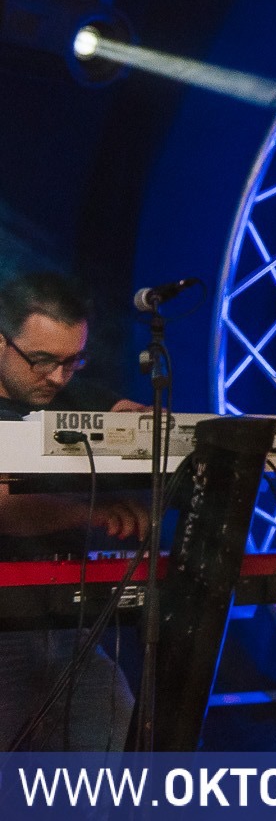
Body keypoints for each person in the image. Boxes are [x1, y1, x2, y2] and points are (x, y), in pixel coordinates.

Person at [0, 271, 149, 750]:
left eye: (72, 361)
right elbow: (5, 508)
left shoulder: (69, 394)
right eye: (42, 360)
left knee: (115, 736)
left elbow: (132, 416)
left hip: (65, 626)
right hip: (4, 629)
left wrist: (148, 424)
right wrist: (93, 512)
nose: (58, 377)